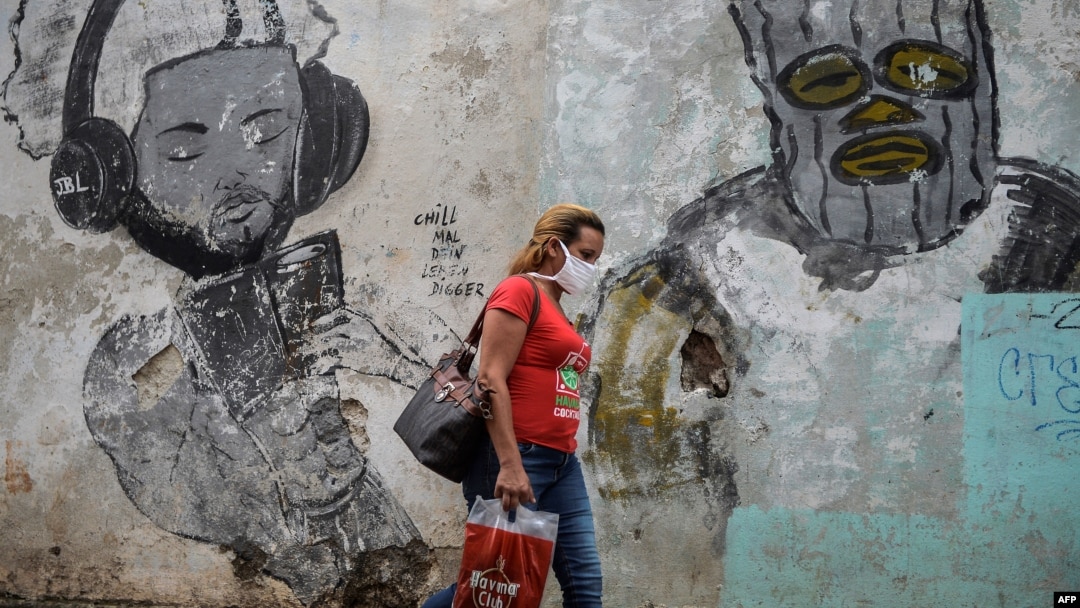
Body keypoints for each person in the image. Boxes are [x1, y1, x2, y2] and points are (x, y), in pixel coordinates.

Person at [424, 203, 606, 608]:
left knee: (585, 587)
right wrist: (510, 464)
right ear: (554, 247)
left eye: (595, 258)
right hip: (515, 456)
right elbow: (490, 378)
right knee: (490, 586)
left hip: (562, 462)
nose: (591, 267)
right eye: (586, 255)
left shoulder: (556, 307)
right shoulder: (519, 291)